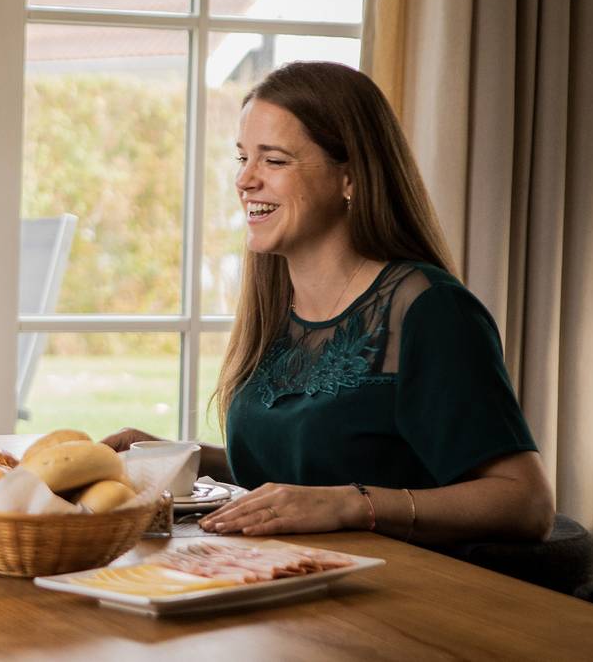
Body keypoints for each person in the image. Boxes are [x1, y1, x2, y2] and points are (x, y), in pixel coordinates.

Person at [104, 61, 554, 544]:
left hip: (399, 594)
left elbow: (524, 502)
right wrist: (175, 454)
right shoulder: (279, 307)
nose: (245, 181)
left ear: (351, 179)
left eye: (274, 161)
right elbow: (301, 466)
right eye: (242, 158)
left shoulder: (428, 311)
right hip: (286, 580)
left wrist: (352, 504)